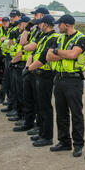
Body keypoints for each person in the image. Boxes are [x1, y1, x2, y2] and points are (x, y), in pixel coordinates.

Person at [46, 14, 85, 157]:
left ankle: (78, 145)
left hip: (73, 80)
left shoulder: (81, 38)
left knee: (76, 113)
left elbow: (73, 55)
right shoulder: (59, 38)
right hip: (59, 79)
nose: (58, 27)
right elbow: (48, 56)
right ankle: (64, 142)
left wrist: (58, 52)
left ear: (67, 25)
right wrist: (63, 53)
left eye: (60, 24)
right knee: (61, 113)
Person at [23, 14, 59, 147]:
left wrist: (28, 69)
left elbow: (43, 58)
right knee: (40, 105)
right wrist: (29, 67)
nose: (39, 25)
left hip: (46, 75)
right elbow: (34, 53)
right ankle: (42, 132)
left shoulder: (53, 37)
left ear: (46, 24)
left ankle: (48, 137)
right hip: (38, 73)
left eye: (40, 23)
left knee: (45, 106)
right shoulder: (45, 36)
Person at [13, 7, 50, 135]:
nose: (34, 17)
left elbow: (30, 47)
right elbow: (24, 43)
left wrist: (26, 48)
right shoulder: (36, 31)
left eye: (36, 15)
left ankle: (39, 127)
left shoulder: (50, 33)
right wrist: (28, 28)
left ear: (43, 16)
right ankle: (28, 122)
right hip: (31, 68)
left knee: (39, 102)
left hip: (42, 70)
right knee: (28, 98)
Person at [6, 15, 31, 124]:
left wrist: (12, 62)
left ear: (26, 24)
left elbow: (21, 52)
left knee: (22, 94)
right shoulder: (19, 34)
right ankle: (17, 111)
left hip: (21, 64)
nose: (19, 25)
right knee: (16, 91)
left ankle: (22, 115)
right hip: (16, 64)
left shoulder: (27, 35)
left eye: (21, 23)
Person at [0, 10, 22, 110]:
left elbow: (14, 44)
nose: (11, 18)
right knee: (9, 81)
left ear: (19, 17)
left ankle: (13, 106)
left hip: (15, 58)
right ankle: (11, 103)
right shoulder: (12, 27)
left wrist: (6, 41)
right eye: (11, 16)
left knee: (13, 84)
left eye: (14, 16)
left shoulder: (18, 28)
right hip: (8, 56)